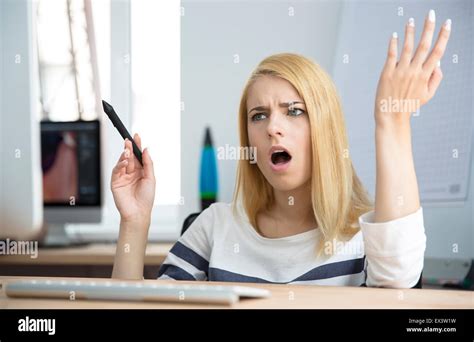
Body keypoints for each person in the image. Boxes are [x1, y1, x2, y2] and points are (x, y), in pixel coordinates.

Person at [111, 10, 451, 287]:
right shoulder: (214, 226)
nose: (272, 127)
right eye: (258, 116)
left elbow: (399, 283)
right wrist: (135, 220)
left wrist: (392, 122)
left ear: (325, 128)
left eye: (294, 111)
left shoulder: (367, 234)